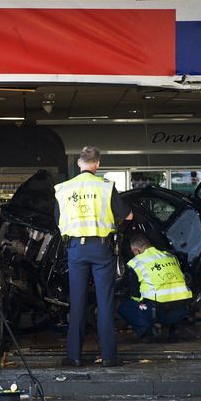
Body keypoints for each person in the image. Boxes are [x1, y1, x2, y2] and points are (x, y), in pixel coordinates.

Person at [54, 146, 132, 367]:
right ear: (97, 165)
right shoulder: (106, 187)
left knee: (77, 302)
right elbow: (129, 215)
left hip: (76, 250)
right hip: (102, 249)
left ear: (79, 163)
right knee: (104, 302)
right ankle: (108, 356)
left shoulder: (63, 189)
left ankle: (74, 356)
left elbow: (58, 220)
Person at [118, 233, 192, 341]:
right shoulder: (170, 256)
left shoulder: (137, 262)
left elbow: (135, 294)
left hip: (158, 312)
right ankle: (172, 328)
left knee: (124, 307)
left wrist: (137, 302)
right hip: (181, 310)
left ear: (137, 250)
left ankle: (149, 331)